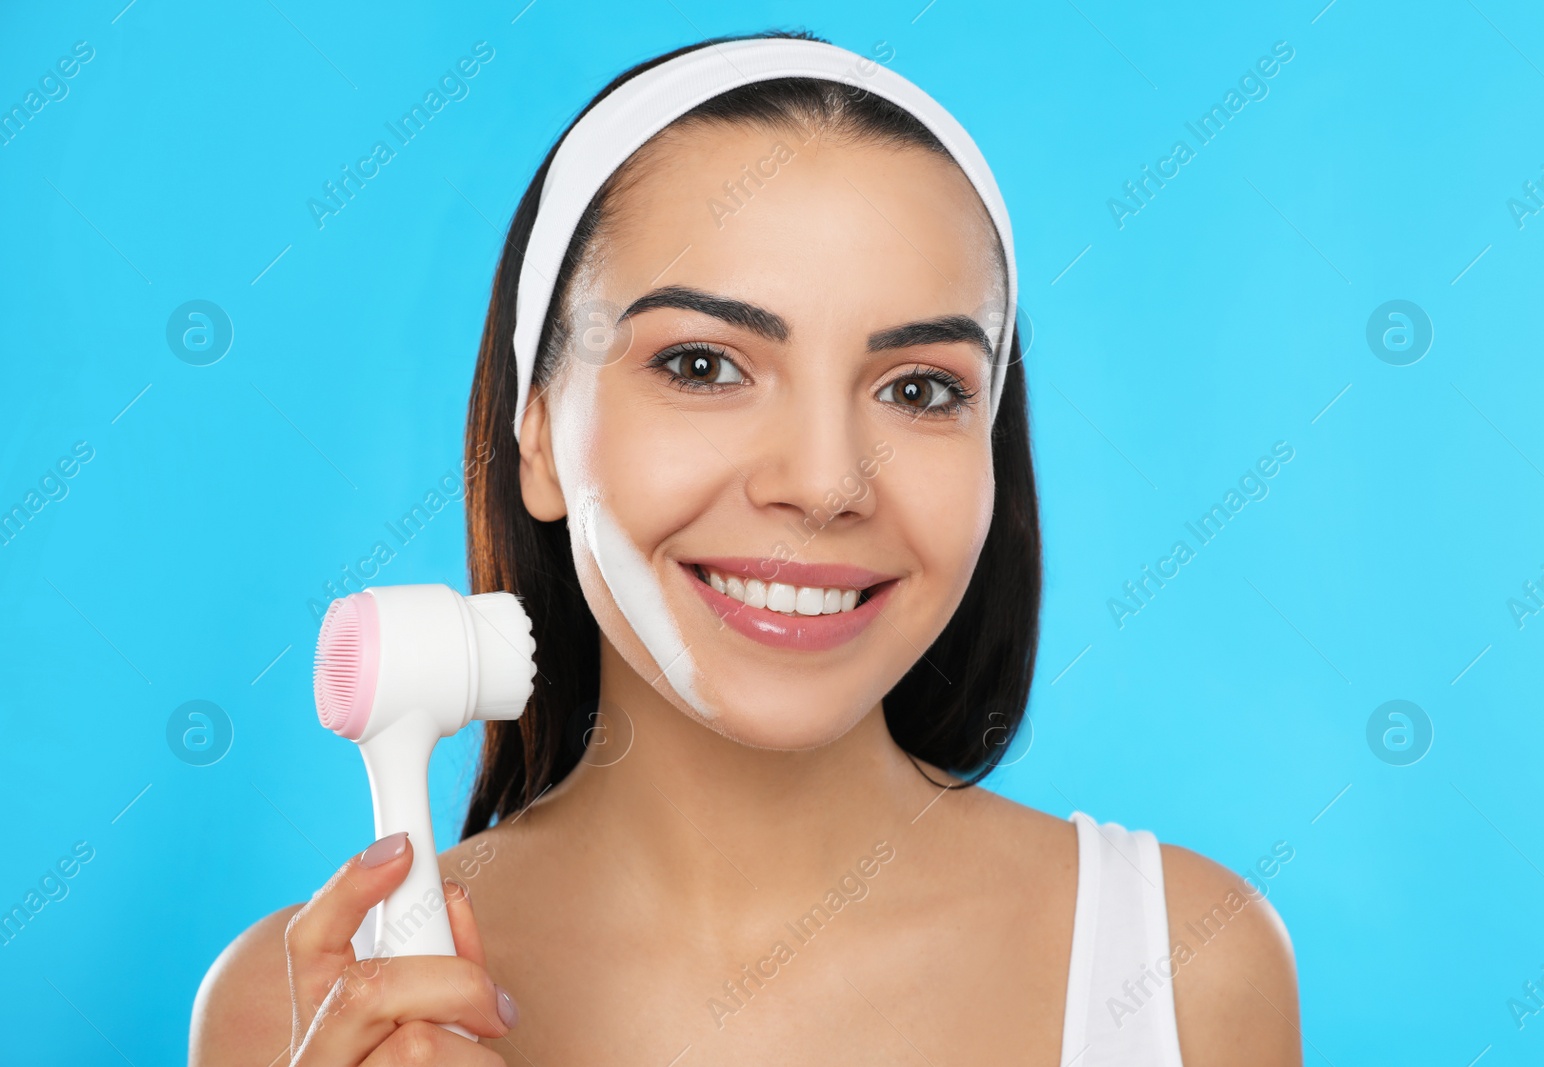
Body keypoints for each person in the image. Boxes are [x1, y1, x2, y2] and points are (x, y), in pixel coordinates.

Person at [192, 30, 1299, 1066]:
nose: (822, 483)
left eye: (919, 387)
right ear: (535, 431)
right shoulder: (293, 1010)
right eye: (703, 366)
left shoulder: (1188, 968)